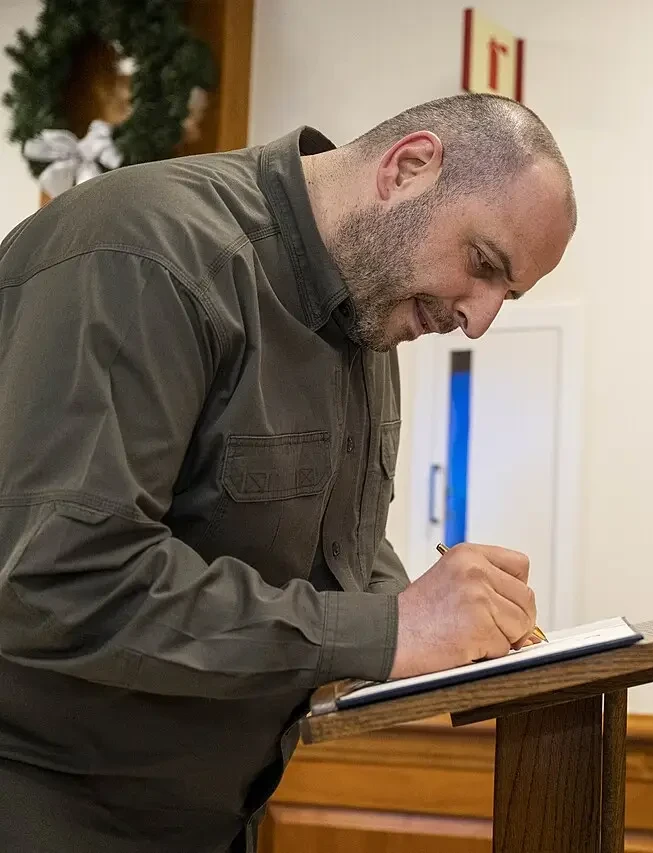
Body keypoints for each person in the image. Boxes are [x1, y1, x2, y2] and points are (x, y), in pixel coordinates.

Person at [0, 93, 575, 852]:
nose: (480, 319)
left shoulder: (370, 316)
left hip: (216, 816)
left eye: (508, 293)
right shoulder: (144, 251)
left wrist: (447, 627)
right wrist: (393, 628)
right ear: (408, 167)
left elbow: (331, 555)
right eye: (484, 265)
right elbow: (60, 579)